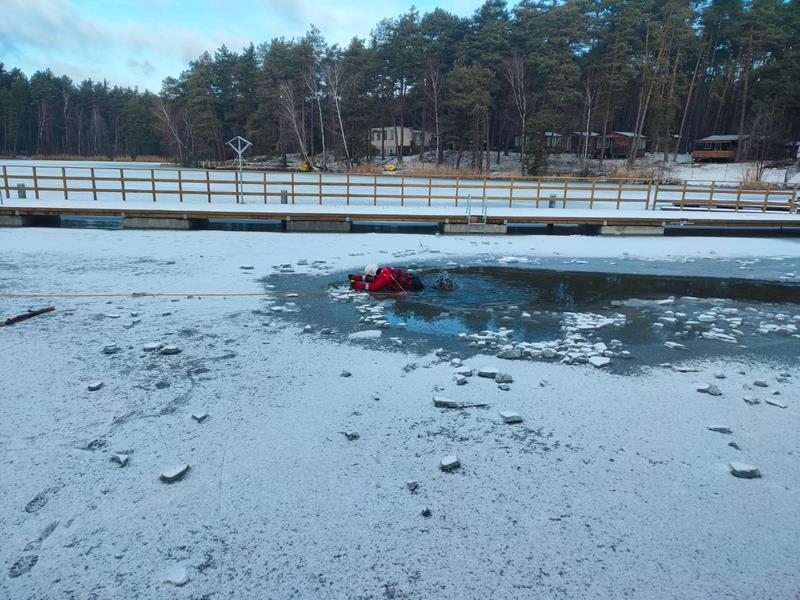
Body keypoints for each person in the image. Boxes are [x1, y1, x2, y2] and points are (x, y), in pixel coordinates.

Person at [349, 263, 424, 293]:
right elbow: (371, 278)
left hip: (414, 286)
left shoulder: (383, 278)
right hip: (413, 278)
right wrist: (355, 277)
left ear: (372, 273)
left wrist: (356, 285)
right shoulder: (385, 269)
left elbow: (373, 287)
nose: (370, 276)